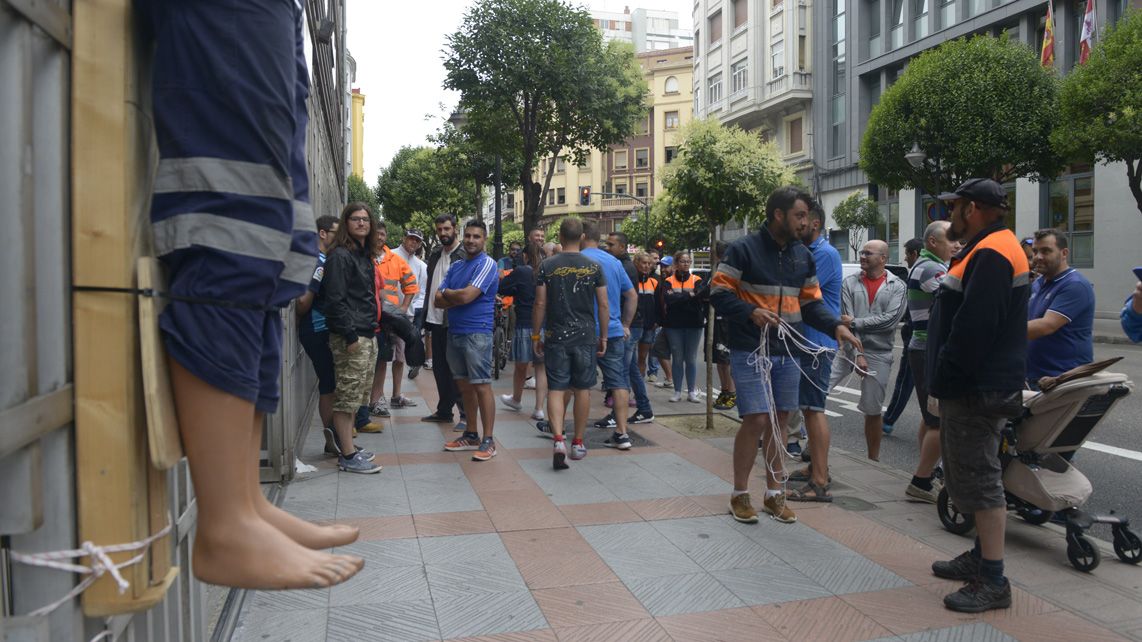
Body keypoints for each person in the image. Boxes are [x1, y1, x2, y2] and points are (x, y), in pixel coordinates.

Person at [711, 187, 862, 525]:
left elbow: (810, 303)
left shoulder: (802, 255)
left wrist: (836, 326)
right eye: (799, 216)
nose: (805, 222)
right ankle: (739, 494)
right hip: (751, 350)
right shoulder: (743, 250)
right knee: (757, 419)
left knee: (781, 424)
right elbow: (718, 292)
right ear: (778, 215)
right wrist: (751, 312)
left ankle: (774, 495)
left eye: (806, 217)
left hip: (789, 351)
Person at [928, 178, 1029, 613]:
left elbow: (975, 327)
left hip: (977, 387)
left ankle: (993, 578)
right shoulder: (989, 247)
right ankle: (981, 556)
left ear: (971, 209)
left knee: (982, 479)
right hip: (978, 384)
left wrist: (947, 377)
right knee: (968, 473)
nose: (949, 216)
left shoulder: (991, 252)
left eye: (953, 208)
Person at [296, 215, 382, 457]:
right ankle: (335, 443)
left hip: (333, 328)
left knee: (338, 387)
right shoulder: (324, 260)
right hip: (320, 328)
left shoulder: (345, 257)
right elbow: (305, 302)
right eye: (336, 232)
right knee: (331, 386)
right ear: (323, 233)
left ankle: (340, 443)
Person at [533, 217, 609, 469]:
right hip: (586, 337)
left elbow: (541, 303)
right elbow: (603, 304)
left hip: (556, 337)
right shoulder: (594, 266)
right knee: (582, 389)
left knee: (556, 388)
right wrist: (604, 336)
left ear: (561, 237)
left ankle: (557, 439)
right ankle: (577, 442)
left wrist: (536, 335)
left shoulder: (547, 265)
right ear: (583, 238)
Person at [319, 204, 384, 476]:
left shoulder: (362, 255)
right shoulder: (340, 256)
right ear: (347, 223)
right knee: (346, 399)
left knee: (357, 397)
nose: (361, 223)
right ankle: (347, 455)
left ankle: (350, 449)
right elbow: (334, 301)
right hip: (352, 337)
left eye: (365, 219)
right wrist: (349, 336)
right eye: (355, 219)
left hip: (367, 333)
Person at [828, 240, 906, 462]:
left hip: (880, 354)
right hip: (847, 349)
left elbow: (890, 322)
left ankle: (873, 461)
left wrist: (856, 323)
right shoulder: (849, 283)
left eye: (868, 253)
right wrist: (859, 352)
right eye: (862, 252)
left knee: (872, 410)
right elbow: (846, 318)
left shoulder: (897, 285)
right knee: (818, 389)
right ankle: (813, 446)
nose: (862, 256)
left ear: (883, 258)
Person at [786, 202, 843, 502]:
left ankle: (819, 480)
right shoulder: (813, 252)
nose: (798, 224)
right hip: (809, 342)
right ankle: (817, 469)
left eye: (801, 218)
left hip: (817, 344)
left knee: (814, 409)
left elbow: (799, 291)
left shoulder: (823, 254)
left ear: (815, 223)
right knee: (810, 409)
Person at [902, 221, 956, 503]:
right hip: (926, 348)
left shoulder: (929, 265)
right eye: (951, 239)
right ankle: (922, 481)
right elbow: (955, 301)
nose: (956, 243)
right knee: (938, 421)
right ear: (933, 242)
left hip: (922, 347)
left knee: (929, 417)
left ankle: (927, 471)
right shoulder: (931, 268)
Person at [438, 220, 500, 461]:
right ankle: (471, 433)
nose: (471, 240)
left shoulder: (487, 264)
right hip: (455, 331)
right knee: (464, 387)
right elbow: (436, 299)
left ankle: (489, 440)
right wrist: (454, 296)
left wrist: (451, 294)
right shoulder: (456, 266)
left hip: (478, 333)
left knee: (482, 385)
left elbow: (466, 296)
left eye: (477, 236)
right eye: (468, 236)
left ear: (484, 240)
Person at [581, 223, 637, 449]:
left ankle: (567, 431)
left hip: (582, 332)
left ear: (582, 236)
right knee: (619, 383)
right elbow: (632, 295)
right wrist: (625, 324)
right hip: (613, 331)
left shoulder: (576, 259)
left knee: (576, 383)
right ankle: (622, 433)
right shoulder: (614, 262)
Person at [595, 233, 656, 427]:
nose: (607, 247)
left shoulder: (623, 266)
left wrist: (624, 325)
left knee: (621, 371)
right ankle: (644, 409)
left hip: (626, 326)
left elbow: (627, 297)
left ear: (622, 247)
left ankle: (619, 415)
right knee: (628, 369)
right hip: (627, 325)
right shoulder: (619, 264)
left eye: (611, 244)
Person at [363, 222, 420, 423]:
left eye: (382, 234)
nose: (379, 238)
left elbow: (411, 285)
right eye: (376, 234)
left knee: (392, 357)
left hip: (392, 319)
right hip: (369, 318)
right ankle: (371, 402)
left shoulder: (395, 260)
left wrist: (403, 308)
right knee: (373, 360)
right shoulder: (363, 257)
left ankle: (382, 398)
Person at [1026, 229, 1095, 386]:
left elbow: (1047, 326)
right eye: (1035, 251)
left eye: (1046, 251)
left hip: (1062, 380)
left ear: (1064, 253)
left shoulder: (1075, 285)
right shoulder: (1038, 283)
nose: (1038, 257)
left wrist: (1000, 332)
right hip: (1036, 377)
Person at [423, 214, 466, 429]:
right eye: (439, 229)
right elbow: (430, 285)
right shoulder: (435, 254)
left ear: (455, 229)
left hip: (455, 321)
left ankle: (465, 415)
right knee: (440, 368)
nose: (443, 233)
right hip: (435, 319)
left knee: (457, 369)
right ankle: (444, 410)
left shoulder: (464, 254)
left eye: (446, 229)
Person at [498, 242, 547, 420]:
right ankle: (539, 408)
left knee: (521, 365)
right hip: (544, 325)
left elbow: (502, 287)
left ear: (525, 256)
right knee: (540, 367)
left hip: (525, 322)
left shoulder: (522, 271)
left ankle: (516, 398)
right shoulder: (546, 271)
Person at [882, 237, 924, 434]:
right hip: (922, 335)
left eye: (907, 254)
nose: (905, 259)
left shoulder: (921, 271)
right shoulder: (934, 269)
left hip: (917, 335)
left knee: (906, 379)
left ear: (915, 254)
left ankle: (889, 419)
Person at [658, 251, 706, 403]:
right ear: (676, 264)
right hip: (674, 325)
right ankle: (677, 391)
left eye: (688, 261)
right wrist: (689, 296)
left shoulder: (697, 279)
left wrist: (680, 298)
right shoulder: (668, 281)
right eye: (683, 261)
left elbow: (700, 296)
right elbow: (669, 299)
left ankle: (691, 392)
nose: (686, 263)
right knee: (677, 358)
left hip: (694, 324)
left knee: (691, 359)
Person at [394, 229, 428, 381]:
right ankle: (376, 397)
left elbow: (419, 291)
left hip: (406, 316)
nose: (413, 242)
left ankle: (396, 395)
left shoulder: (421, 265)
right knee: (380, 359)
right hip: (385, 314)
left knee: (400, 358)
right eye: (411, 238)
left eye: (417, 240)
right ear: (404, 238)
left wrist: (408, 308)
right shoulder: (390, 256)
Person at [630, 252, 659, 423]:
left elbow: (658, 303)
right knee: (630, 360)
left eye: (649, 263)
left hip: (648, 325)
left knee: (642, 359)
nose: (647, 266)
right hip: (633, 325)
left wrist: (656, 321)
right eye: (644, 263)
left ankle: (637, 392)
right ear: (636, 263)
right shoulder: (632, 279)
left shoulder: (654, 281)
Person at [711, 241, 737, 411]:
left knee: (726, 358)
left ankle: (732, 393)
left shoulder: (727, 271)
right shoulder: (716, 270)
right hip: (717, 320)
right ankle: (725, 390)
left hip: (727, 321)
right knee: (720, 360)